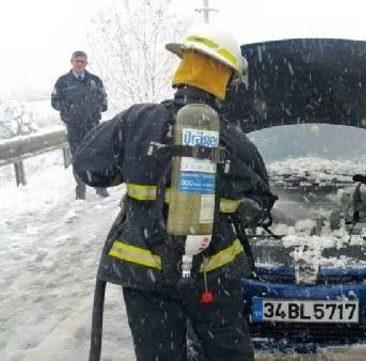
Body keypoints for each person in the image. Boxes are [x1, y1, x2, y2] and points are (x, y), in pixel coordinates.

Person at [74, 25, 276, 361]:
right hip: (213, 278)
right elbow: (262, 199)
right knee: (229, 353)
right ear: (224, 80)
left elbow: (87, 166)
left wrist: (139, 163)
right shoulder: (235, 142)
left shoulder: (136, 121)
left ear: (183, 69)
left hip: (144, 275)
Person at [51, 50, 109, 200]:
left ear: (86, 63)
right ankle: (80, 191)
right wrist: (69, 109)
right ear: (72, 61)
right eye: (78, 61)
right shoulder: (63, 82)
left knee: (96, 156)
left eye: (83, 61)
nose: (80, 64)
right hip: (74, 127)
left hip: (93, 126)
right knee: (77, 158)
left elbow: (104, 100)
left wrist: (99, 107)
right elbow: (55, 102)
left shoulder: (94, 80)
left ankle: (100, 187)